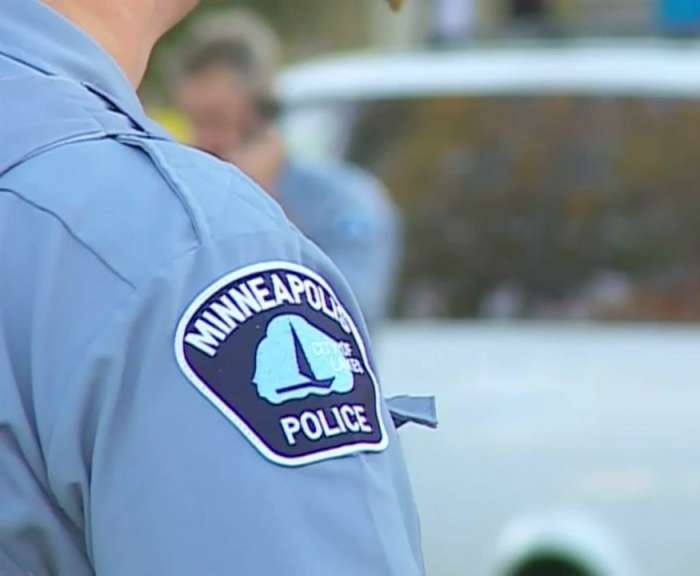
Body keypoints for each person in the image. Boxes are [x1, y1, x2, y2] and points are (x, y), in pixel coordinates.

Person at [0, 1, 433, 575]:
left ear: (263, 113)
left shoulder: (281, 218)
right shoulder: (194, 249)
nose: (210, 139)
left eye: (223, 121)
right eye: (197, 122)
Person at [173, 10, 400, 325]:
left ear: (262, 113)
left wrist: (255, 206)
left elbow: (349, 312)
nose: (202, 140)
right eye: (194, 122)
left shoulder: (344, 202)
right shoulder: (187, 208)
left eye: (216, 120)